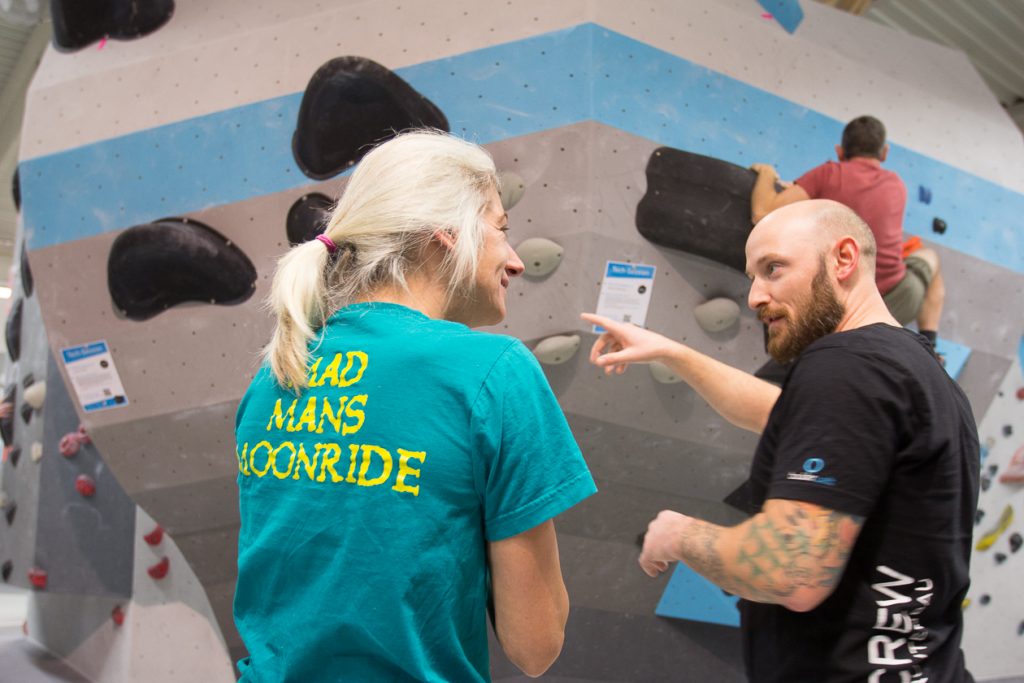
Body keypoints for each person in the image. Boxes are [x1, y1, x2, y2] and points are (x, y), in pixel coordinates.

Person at [233, 130, 596, 682]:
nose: (516, 262)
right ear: (446, 233)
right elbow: (536, 642)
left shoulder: (277, 373)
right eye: (501, 230)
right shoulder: (493, 372)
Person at [583, 200, 978, 682]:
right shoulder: (913, 370)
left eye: (773, 269)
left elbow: (792, 570)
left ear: (843, 259)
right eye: (752, 276)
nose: (754, 296)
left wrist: (678, 535)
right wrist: (671, 352)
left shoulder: (845, 367)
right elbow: (782, 415)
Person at [749, 115, 945, 348]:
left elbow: (762, 215)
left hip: (841, 303)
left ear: (840, 151)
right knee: (929, 257)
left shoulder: (829, 174)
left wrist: (766, 173)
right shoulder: (896, 185)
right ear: (884, 153)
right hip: (896, 301)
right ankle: (930, 344)